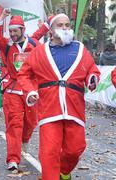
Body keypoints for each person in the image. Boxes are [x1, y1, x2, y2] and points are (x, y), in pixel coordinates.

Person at [17, 13, 100, 180]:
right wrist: (31, 92)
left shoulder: (80, 49)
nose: (64, 28)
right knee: (48, 153)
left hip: (74, 108)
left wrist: (92, 79)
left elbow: (92, 70)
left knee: (76, 148)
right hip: (49, 109)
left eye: (67, 25)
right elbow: (24, 75)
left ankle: (63, 172)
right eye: (60, 25)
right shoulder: (39, 52)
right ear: (51, 30)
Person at [0, 10, 43, 172]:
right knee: (14, 124)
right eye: (11, 31)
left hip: (31, 90)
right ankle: (13, 159)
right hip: (12, 89)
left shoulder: (34, 44)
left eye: (15, 31)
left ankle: (25, 140)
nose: (12, 34)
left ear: (23, 30)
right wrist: (0, 19)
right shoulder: (6, 45)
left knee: (30, 122)